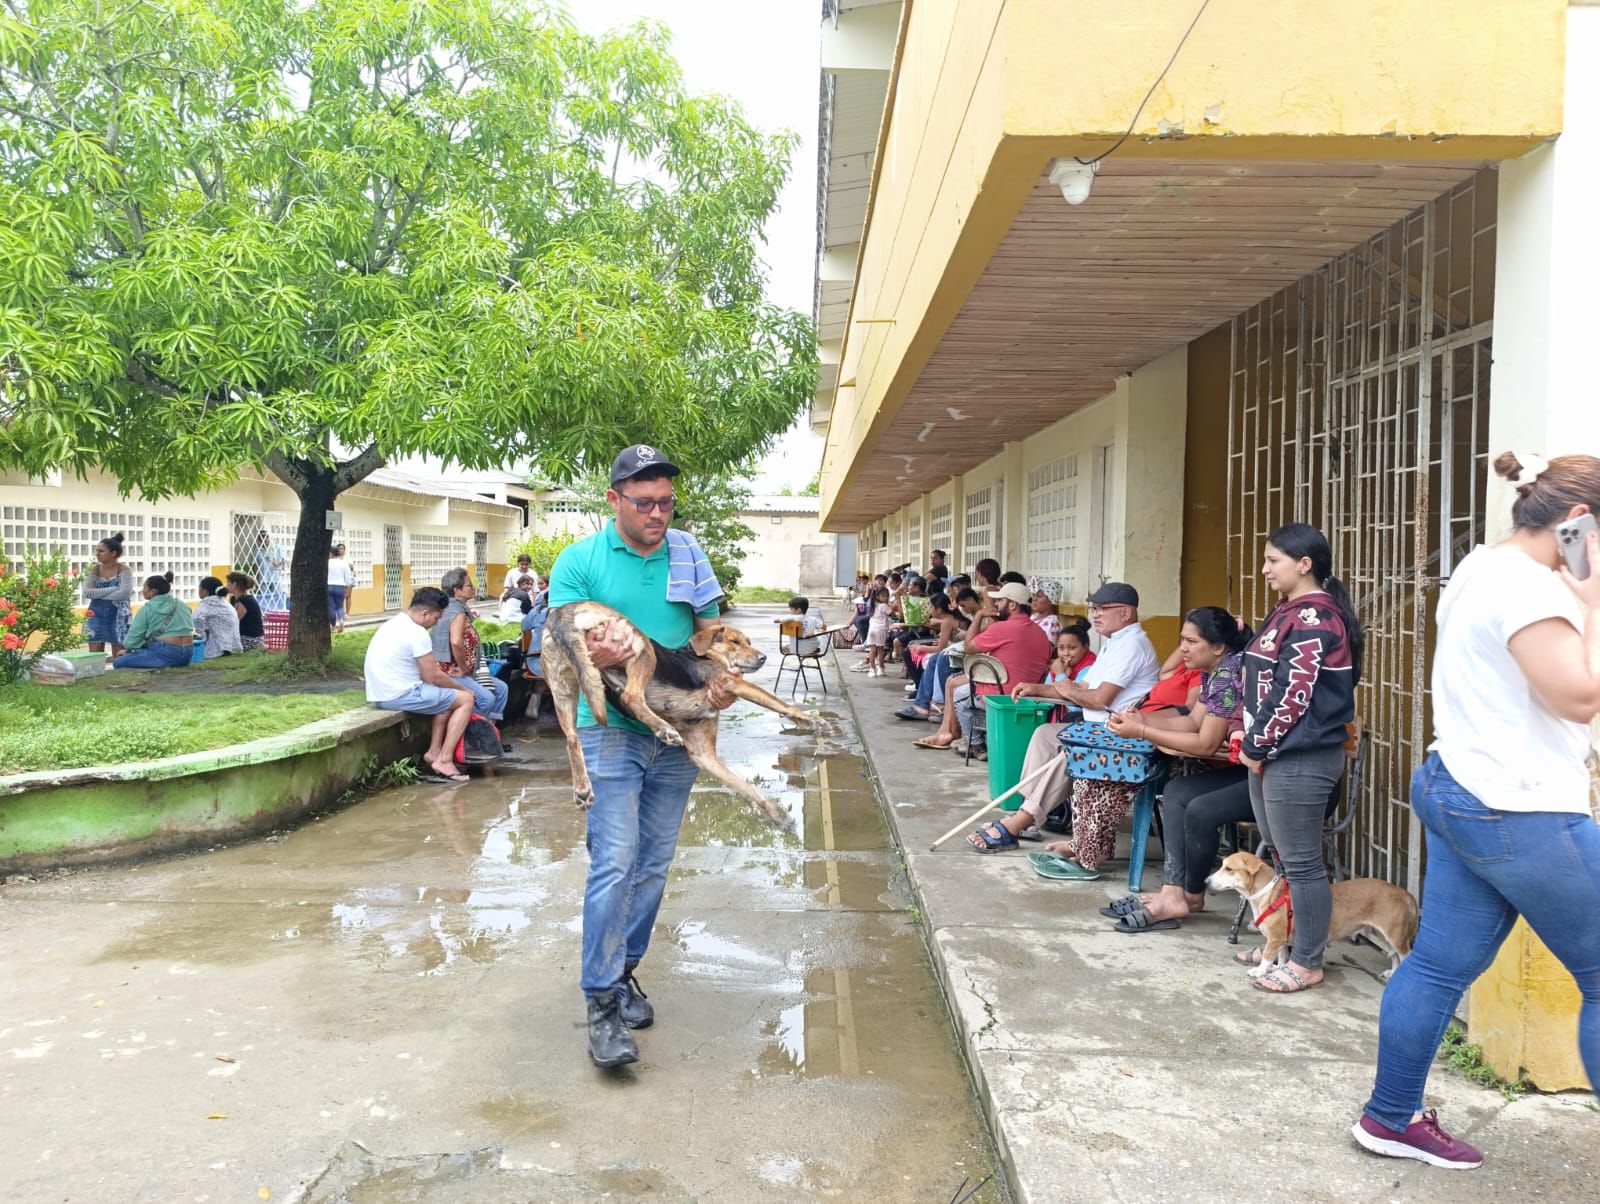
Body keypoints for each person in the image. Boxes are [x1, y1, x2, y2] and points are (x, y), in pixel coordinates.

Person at [1355, 452, 1600, 1170]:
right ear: (1577, 523)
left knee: (1437, 965)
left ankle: (1390, 1118)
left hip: (1461, 785)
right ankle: (1390, 1117)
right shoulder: (1533, 590)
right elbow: (1580, 696)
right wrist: (1595, 601)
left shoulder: (1481, 565)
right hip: (1521, 807)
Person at [547, 443, 736, 1069]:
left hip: (678, 729)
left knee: (652, 864)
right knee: (615, 861)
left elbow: (709, 637)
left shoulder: (688, 554)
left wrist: (720, 687)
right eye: (644, 503)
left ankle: (624, 969)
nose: (657, 514)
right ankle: (601, 1001)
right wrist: (595, 655)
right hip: (608, 730)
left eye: (666, 503)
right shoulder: (579, 561)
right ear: (614, 499)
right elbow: (563, 646)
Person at [1237, 522, 1362, 995]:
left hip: (1299, 756)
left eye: (1274, 560)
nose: (1265, 569)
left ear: (1304, 564)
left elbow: (1293, 694)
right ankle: (1281, 945)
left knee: (1303, 863)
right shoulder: (1290, 611)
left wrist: (1255, 744)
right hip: (1274, 754)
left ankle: (1307, 961)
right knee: (1284, 858)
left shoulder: (1314, 618)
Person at [966, 585, 1160, 845]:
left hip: (1120, 736)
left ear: (1125, 613)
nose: (1095, 615)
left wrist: (1066, 687)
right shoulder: (1115, 642)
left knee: (1070, 750)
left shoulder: (1132, 645)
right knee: (1045, 734)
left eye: (1103, 609)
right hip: (1097, 728)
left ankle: (1019, 823)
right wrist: (1038, 689)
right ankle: (1027, 812)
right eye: (1094, 609)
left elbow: (1099, 699)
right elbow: (1081, 687)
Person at [1098, 607, 1252, 927]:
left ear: (1218, 647)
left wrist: (1142, 731)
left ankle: (1189, 894)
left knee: (1199, 808)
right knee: (1176, 791)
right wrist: (1141, 719)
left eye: (1191, 642)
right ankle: (1175, 893)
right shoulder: (1214, 670)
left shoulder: (1228, 676)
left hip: (1268, 776)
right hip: (1249, 770)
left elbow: (1206, 743)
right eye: (1182, 640)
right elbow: (1193, 721)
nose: (1182, 648)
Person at [912, 582, 1052, 754]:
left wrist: (978, 616)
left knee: (959, 694)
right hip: (1028, 695)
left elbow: (968, 647)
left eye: (1000, 600)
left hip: (1002, 695)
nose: (996, 605)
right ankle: (949, 732)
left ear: (1013, 605)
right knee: (953, 682)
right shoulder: (1040, 633)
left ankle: (974, 743)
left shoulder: (1003, 628)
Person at [364, 587, 476, 785]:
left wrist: (452, 689)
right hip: (399, 694)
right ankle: (445, 760)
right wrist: (464, 689)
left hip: (381, 693)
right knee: (465, 700)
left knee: (447, 698)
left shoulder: (394, 623)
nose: (436, 623)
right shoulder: (417, 633)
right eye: (436, 618)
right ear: (425, 614)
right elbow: (432, 676)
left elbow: (429, 677)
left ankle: (434, 753)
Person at [431, 568, 509, 726]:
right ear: (457, 590)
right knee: (486, 699)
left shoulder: (456, 609)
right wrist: (463, 668)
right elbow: (456, 642)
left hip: (466, 670)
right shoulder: (456, 611)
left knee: (501, 689)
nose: (473, 588)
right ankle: (474, 731)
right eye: (469, 585)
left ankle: (489, 730)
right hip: (451, 672)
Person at [111, 573, 195, 669]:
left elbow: (131, 641)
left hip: (165, 653)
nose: (142, 590)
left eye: (144, 587)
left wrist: (128, 650)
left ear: (153, 591)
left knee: (118, 662)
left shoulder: (147, 609)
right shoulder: (181, 604)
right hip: (187, 654)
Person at [82, 532, 133, 655]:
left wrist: (98, 595)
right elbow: (87, 593)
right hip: (96, 615)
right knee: (94, 656)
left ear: (113, 553)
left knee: (119, 656)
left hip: (119, 617)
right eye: (96, 550)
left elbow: (124, 594)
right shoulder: (94, 569)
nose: (97, 553)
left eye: (101, 551)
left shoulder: (124, 570)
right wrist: (114, 588)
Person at [192, 576, 243, 658]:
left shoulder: (208, 602)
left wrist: (202, 636)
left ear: (205, 591)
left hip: (219, 648)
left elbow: (197, 618)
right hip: (232, 645)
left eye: (199, 587)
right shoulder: (223, 602)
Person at [856, 586, 893, 677]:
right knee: (880, 650)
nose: (886, 598)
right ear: (877, 596)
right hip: (880, 630)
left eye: (887, 596)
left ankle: (872, 670)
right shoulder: (884, 606)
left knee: (872, 650)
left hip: (872, 630)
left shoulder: (873, 605)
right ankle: (880, 669)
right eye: (883, 596)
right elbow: (892, 614)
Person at [225, 572, 264, 652]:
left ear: (234, 584)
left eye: (228, 583)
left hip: (251, 640)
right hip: (244, 637)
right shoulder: (236, 599)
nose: (226, 585)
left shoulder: (245, 601)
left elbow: (234, 621)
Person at [327, 543, 356, 632]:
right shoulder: (343, 562)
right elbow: (348, 576)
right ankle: (341, 621)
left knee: (331, 607)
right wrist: (347, 587)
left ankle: (333, 627)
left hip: (329, 586)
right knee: (339, 606)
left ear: (331, 553)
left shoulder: (327, 562)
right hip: (340, 587)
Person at [254, 530, 286, 610]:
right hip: (263, 578)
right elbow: (255, 565)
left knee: (278, 596)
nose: (264, 541)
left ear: (269, 538)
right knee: (265, 599)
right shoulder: (257, 551)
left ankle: (279, 611)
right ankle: (267, 612)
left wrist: (278, 563)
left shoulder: (277, 547)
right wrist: (256, 578)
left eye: (266, 539)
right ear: (259, 541)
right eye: (262, 540)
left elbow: (283, 561)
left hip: (275, 577)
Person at [1027, 578, 1064, 644]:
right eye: (1033, 595)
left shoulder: (1052, 623)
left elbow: (1047, 647)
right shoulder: (1034, 616)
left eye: (1039, 596)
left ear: (1051, 601)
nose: (1034, 599)